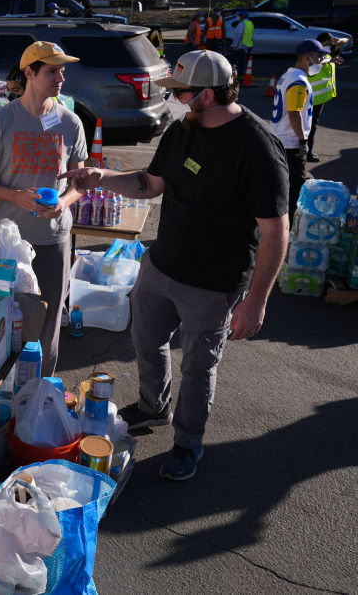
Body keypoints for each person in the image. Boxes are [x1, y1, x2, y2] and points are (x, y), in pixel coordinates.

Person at [61, 51, 289, 481]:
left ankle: (188, 444)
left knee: (198, 366)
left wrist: (256, 301)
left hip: (214, 282)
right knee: (146, 339)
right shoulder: (182, 130)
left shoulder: (257, 147)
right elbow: (151, 183)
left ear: (207, 94)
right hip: (162, 264)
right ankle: (153, 406)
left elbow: (277, 231)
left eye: (182, 92)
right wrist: (101, 177)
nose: (177, 100)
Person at [0, 41, 88, 378]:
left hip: (52, 241)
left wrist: (64, 203)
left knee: (47, 329)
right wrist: (15, 196)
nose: (61, 77)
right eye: (52, 70)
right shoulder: (1, 119)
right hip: (6, 241)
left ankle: (40, 399)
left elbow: (79, 182)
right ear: (30, 73)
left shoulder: (70, 122)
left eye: (63, 70)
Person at [271, 38, 328, 217]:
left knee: (283, 185)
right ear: (307, 58)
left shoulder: (289, 74)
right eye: (318, 57)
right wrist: (303, 140)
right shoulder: (298, 81)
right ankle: (288, 228)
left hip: (280, 139)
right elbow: (294, 114)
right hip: (290, 143)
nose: (320, 61)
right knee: (295, 187)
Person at [306, 31, 348, 162]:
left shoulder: (328, 50)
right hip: (312, 97)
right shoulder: (315, 52)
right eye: (330, 41)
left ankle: (306, 151)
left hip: (319, 97)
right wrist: (331, 58)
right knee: (310, 126)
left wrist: (334, 40)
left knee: (312, 125)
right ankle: (307, 153)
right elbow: (317, 64)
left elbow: (345, 40)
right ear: (325, 42)